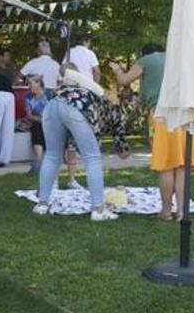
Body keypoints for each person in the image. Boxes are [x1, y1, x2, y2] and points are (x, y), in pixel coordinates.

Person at [112, 43, 194, 220]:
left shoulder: (146, 60)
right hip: (189, 115)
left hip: (163, 116)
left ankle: (166, 211)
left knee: (167, 165)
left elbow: (124, 80)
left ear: (145, 53)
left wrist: (117, 70)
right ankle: (182, 212)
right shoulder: (178, 58)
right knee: (182, 165)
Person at [33, 66, 130, 220]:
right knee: (92, 157)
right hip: (77, 107)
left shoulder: (76, 88)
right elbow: (117, 132)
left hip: (52, 105)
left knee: (52, 155)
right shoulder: (112, 106)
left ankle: (42, 204)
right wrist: (122, 149)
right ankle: (98, 210)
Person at [24, 75, 54, 174]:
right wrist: (42, 120)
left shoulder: (50, 93)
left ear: (38, 83)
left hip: (52, 120)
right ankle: (39, 159)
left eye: (30, 83)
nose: (28, 86)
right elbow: (29, 115)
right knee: (37, 127)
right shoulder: (28, 97)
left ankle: (41, 162)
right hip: (38, 121)